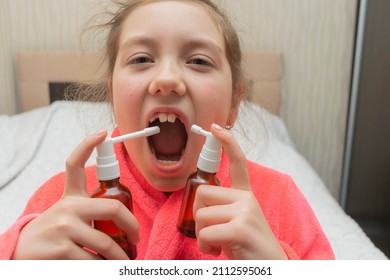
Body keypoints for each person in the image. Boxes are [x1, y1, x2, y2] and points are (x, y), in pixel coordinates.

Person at [0, 0, 334, 260]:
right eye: (142, 59)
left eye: (199, 61)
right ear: (114, 95)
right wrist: (15, 259)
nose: (167, 80)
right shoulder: (62, 202)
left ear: (234, 103)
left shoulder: (279, 198)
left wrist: (277, 266)